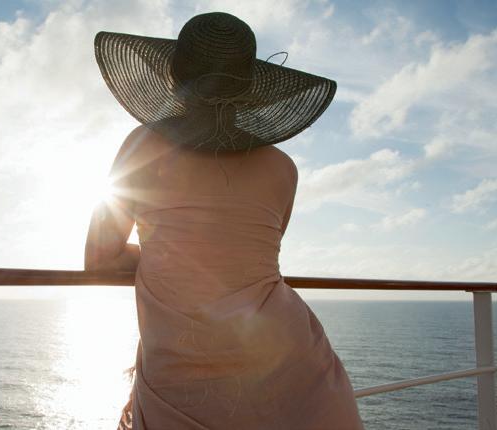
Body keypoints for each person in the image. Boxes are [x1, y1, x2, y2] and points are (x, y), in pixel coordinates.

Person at [85, 12, 364, 429]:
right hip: (295, 368)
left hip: (184, 379)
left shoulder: (142, 145)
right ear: (250, 89)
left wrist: (166, 258)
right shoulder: (283, 167)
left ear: (175, 77)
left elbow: (98, 257)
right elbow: (251, 259)